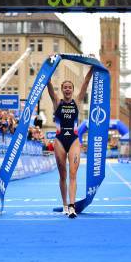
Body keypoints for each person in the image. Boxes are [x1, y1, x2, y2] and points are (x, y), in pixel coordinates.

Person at [46, 68, 93, 218]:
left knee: (73, 173)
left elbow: (85, 83)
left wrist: (92, 67)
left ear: (73, 90)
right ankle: (65, 205)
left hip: (73, 140)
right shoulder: (56, 102)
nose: (67, 89)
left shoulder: (77, 102)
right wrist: (48, 68)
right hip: (60, 140)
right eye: (65, 87)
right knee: (63, 175)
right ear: (62, 89)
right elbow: (48, 85)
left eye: (70, 87)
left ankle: (72, 206)